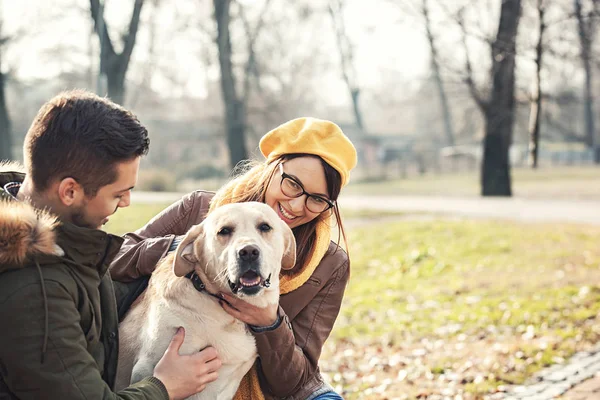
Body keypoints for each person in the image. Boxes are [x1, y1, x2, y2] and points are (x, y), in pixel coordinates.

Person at [110, 117, 357, 400]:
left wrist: (269, 323)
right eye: (292, 185)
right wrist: (192, 246)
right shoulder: (200, 210)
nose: (296, 205)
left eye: (317, 199)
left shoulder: (329, 264)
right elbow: (115, 256)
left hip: (267, 387)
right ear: (272, 170)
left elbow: (296, 381)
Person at [0, 90, 221, 400]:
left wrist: (174, 251)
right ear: (69, 192)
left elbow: (91, 308)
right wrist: (164, 386)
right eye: (118, 194)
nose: (128, 202)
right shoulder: (34, 289)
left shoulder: (63, 238)